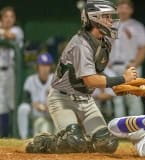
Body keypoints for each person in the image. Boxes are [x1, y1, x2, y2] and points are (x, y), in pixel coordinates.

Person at [26, 0, 137, 154]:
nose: (111, 20)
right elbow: (90, 80)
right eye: (106, 16)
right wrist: (122, 79)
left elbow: (96, 73)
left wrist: (118, 86)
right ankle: (43, 142)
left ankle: (78, 143)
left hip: (85, 99)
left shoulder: (104, 42)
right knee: (73, 143)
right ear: (94, 19)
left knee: (107, 143)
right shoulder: (81, 44)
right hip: (62, 99)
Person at [109, 0, 145, 117]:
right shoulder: (109, 25)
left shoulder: (137, 26)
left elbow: (144, 47)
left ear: (131, 10)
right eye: (120, 7)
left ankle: (135, 128)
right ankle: (119, 128)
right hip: (113, 66)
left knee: (133, 97)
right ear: (116, 9)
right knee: (117, 98)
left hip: (130, 66)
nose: (123, 10)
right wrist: (105, 62)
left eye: (126, 8)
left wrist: (136, 63)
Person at [17, 53, 54, 139]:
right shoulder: (30, 80)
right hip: (35, 113)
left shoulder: (54, 79)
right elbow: (25, 99)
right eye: (42, 65)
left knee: (44, 132)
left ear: (51, 67)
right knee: (23, 108)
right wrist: (34, 104)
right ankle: (23, 137)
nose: (45, 68)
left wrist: (49, 104)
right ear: (37, 67)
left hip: (50, 114)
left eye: (47, 65)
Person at [0, 6, 24, 137]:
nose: (9, 19)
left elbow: (11, 35)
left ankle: (13, 134)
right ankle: (3, 135)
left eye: (11, 17)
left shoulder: (18, 30)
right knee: (1, 104)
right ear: (1, 18)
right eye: (6, 16)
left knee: (12, 103)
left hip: (11, 72)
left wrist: (2, 31)